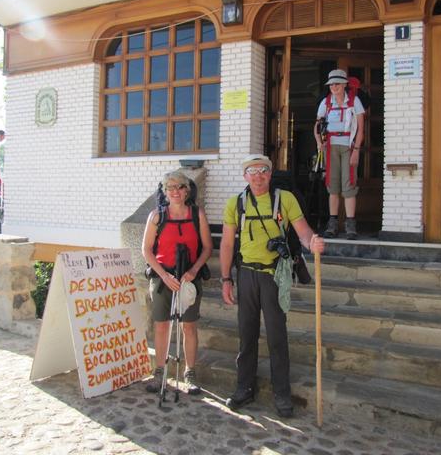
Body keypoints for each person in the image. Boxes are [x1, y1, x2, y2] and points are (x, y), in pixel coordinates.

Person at [219, 154, 325, 418]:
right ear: (245, 176)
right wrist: (225, 279)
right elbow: (228, 244)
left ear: (270, 173)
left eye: (263, 170)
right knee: (247, 334)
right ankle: (244, 387)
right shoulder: (236, 204)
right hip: (245, 274)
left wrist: (313, 243)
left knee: (277, 336)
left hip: (275, 276)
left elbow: (303, 232)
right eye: (252, 171)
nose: (257, 176)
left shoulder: (285, 199)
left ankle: (282, 394)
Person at [141, 170, 212, 395]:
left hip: (189, 278)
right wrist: (164, 275)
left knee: (189, 326)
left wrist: (193, 271)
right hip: (164, 278)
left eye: (179, 187)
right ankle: (160, 371)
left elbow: (208, 247)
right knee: (162, 325)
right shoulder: (156, 216)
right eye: (170, 188)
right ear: (164, 192)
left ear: (186, 190)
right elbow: (146, 250)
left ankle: (189, 373)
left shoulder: (196, 214)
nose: (175, 192)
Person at [313, 69, 365, 239]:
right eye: (331, 84)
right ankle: (333, 224)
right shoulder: (326, 102)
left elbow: (360, 129)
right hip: (331, 147)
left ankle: (351, 226)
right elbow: (318, 126)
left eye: (337, 84)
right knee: (332, 185)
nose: (333, 87)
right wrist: (319, 143)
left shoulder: (354, 101)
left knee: (349, 184)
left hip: (348, 145)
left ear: (344, 84)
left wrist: (356, 150)